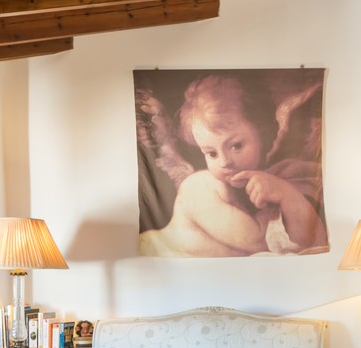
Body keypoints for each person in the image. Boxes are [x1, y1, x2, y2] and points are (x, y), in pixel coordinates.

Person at [139, 74, 327, 257]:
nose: (224, 162)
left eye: (236, 146)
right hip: (159, 257)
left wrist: (287, 194)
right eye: (211, 153)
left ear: (262, 133)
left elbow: (309, 241)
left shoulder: (277, 177)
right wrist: (279, 202)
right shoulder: (199, 186)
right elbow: (259, 243)